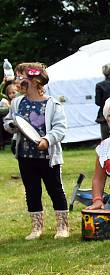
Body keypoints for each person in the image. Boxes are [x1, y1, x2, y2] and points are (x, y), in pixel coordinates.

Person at [3, 62, 69, 239]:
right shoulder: (17, 103)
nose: (16, 81)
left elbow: (60, 128)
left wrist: (48, 140)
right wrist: (11, 125)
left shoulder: (52, 104)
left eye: (20, 77)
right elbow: (9, 122)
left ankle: (63, 227)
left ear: (33, 80)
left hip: (47, 157)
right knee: (31, 190)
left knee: (55, 190)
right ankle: (36, 228)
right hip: (25, 156)